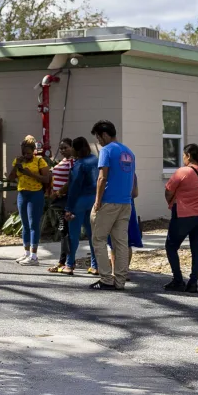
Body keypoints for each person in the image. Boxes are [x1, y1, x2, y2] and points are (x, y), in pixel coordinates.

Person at [89, 120, 136, 291]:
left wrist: (97, 201)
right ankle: (120, 280)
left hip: (108, 202)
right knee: (121, 242)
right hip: (126, 202)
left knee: (99, 239)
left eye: (99, 137)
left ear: (105, 135)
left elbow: (102, 177)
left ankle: (106, 279)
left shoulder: (107, 151)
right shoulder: (129, 152)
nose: (99, 141)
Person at [163, 143, 198, 293]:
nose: (183, 159)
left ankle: (178, 280)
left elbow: (168, 191)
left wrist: (171, 202)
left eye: (184, 156)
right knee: (196, 248)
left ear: (189, 156)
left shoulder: (183, 172)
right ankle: (193, 283)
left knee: (171, 246)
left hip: (184, 214)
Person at [60, 137, 98, 276]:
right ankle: (95, 265)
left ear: (75, 149)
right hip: (94, 199)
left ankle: (69, 265)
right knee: (92, 234)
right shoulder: (95, 159)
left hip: (79, 202)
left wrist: (69, 208)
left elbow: (74, 187)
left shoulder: (79, 164)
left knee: (73, 235)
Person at [10, 138, 50, 266]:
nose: (26, 156)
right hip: (22, 194)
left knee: (34, 224)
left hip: (35, 194)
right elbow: (10, 178)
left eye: (28, 153)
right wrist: (16, 166)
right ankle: (26, 253)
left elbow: (46, 179)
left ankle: (34, 256)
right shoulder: (18, 161)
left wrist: (30, 173)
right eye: (24, 153)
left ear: (33, 151)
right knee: (25, 224)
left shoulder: (39, 161)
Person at [47, 139, 76, 273]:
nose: (63, 150)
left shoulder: (72, 162)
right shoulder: (62, 161)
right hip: (58, 201)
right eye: (61, 148)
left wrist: (58, 192)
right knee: (63, 230)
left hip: (66, 200)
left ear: (72, 147)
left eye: (66, 148)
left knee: (66, 231)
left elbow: (72, 181)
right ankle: (64, 261)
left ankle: (65, 261)